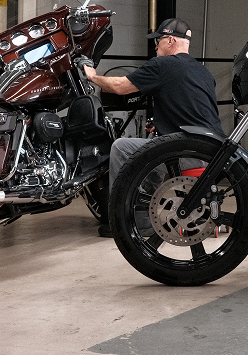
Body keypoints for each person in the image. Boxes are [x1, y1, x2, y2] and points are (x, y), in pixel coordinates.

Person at [83, 17, 222, 238]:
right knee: (152, 145)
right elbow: (193, 111)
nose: (155, 46)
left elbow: (119, 87)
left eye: (157, 41)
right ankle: (145, 214)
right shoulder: (203, 72)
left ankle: (126, 221)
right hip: (213, 153)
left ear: (169, 40)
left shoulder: (163, 64)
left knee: (121, 147)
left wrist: (92, 76)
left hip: (188, 153)